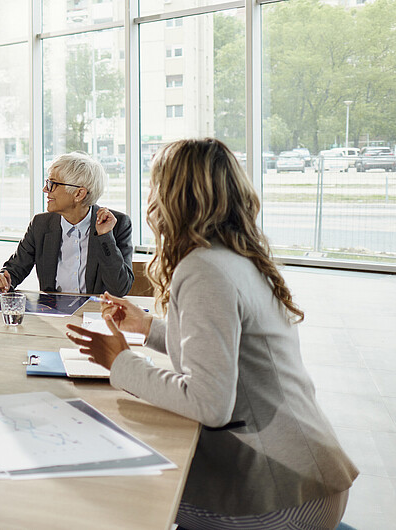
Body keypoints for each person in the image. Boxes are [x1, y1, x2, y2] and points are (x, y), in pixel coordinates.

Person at [65, 138, 357, 528]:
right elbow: (226, 350)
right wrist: (149, 328)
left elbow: (209, 403)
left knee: (116, 495)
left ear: (175, 197)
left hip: (282, 494)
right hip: (309, 474)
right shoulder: (236, 255)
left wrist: (121, 362)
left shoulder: (203, 269)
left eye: (157, 185)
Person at [0, 152, 133, 298]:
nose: (45, 189)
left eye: (52, 184)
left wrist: (105, 237)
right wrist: (0, 283)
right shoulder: (40, 224)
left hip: (96, 315)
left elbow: (119, 289)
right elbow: (14, 270)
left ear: (79, 194)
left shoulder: (117, 225)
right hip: (53, 314)